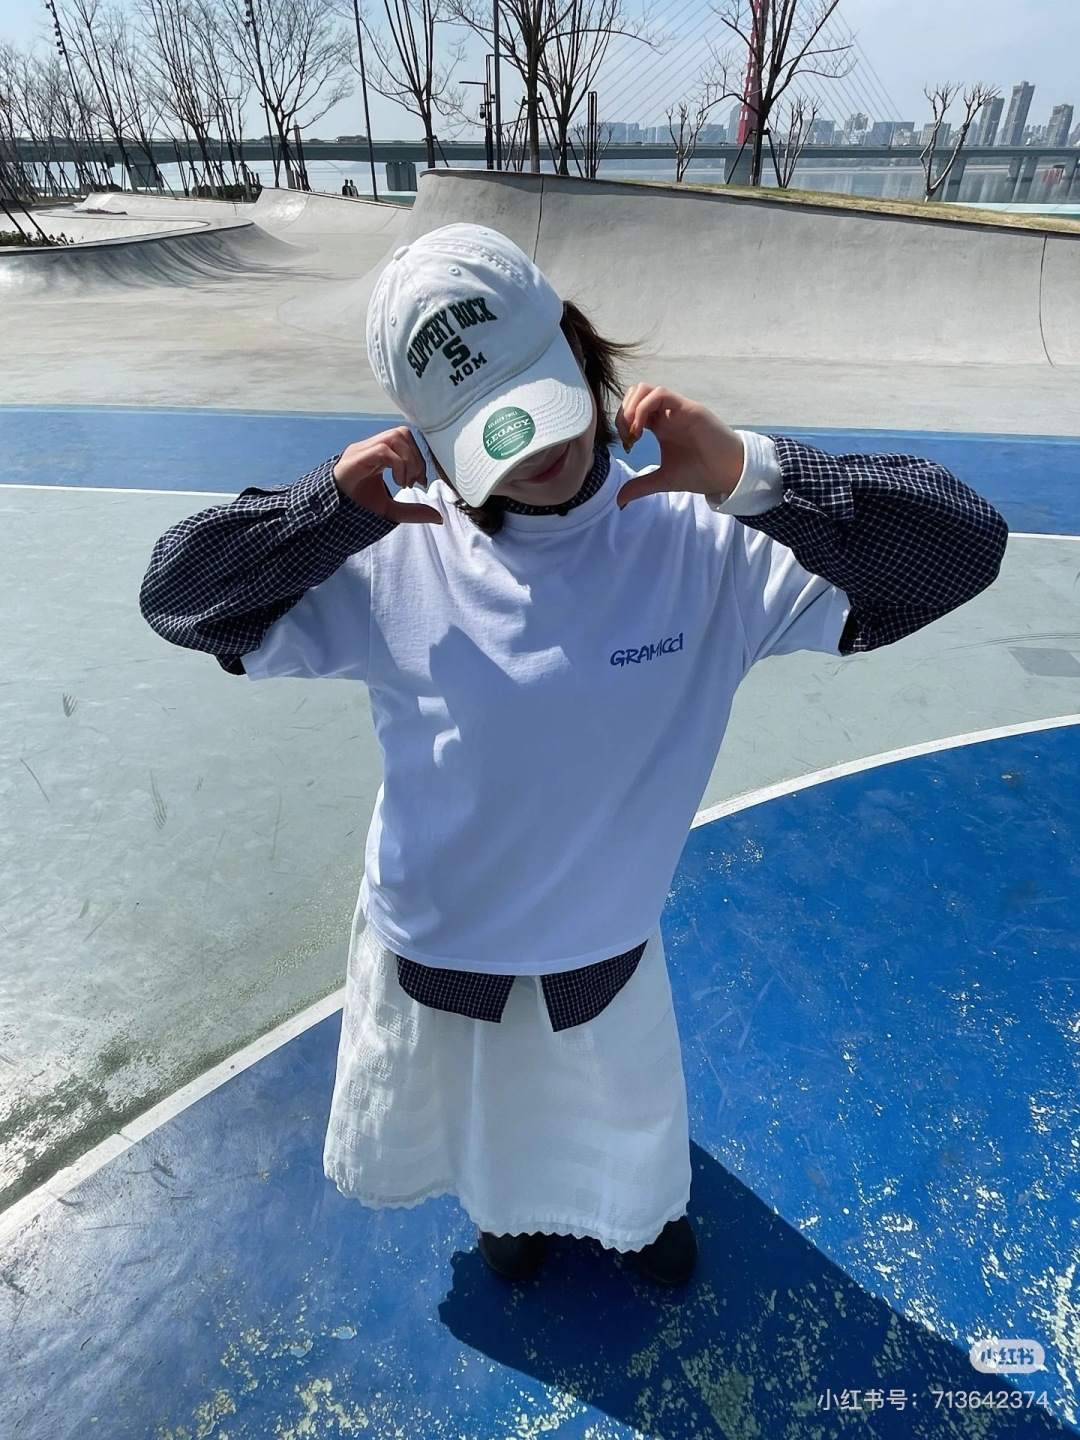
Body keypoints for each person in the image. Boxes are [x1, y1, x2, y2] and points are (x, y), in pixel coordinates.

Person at [139, 223, 1008, 1288]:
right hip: (442, 946)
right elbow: (181, 600)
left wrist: (756, 473)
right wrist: (323, 512)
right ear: (428, 439)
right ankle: (505, 1213)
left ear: (577, 345)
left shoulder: (706, 544)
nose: (536, 453)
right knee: (489, 1151)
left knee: (626, 1137)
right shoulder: (396, 552)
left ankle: (634, 1214)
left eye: (539, 398)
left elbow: (962, 546)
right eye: (488, 433)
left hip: (601, 948)